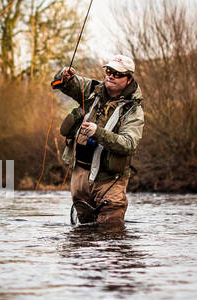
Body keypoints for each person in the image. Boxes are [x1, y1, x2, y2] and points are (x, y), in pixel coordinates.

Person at [50, 53, 144, 226]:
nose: (111, 76)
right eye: (109, 71)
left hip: (109, 181)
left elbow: (129, 144)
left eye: (117, 74)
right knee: (83, 236)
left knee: (111, 235)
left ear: (129, 79)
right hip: (80, 176)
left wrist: (97, 133)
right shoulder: (93, 89)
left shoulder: (134, 110)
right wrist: (64, 75)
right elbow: (62, 84)